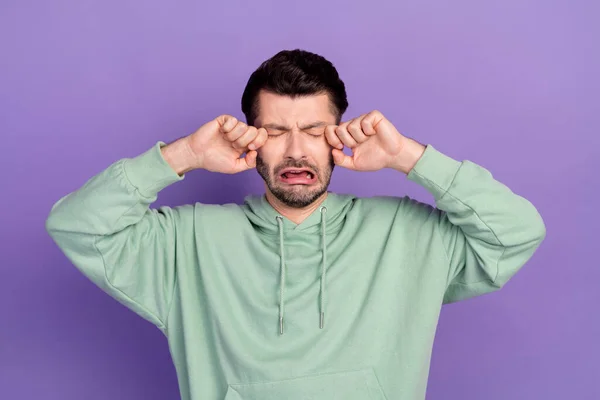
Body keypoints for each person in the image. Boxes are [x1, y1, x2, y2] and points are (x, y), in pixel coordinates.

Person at [46, 49, 546, 400]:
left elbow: (516, 232)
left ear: (337, 135)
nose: (296, 151)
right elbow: (77, 226)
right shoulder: (184, 242)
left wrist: (408, 157)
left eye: (312, 131)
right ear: (250, 140)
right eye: (275, 132)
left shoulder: (407, 233)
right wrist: (185, 155)